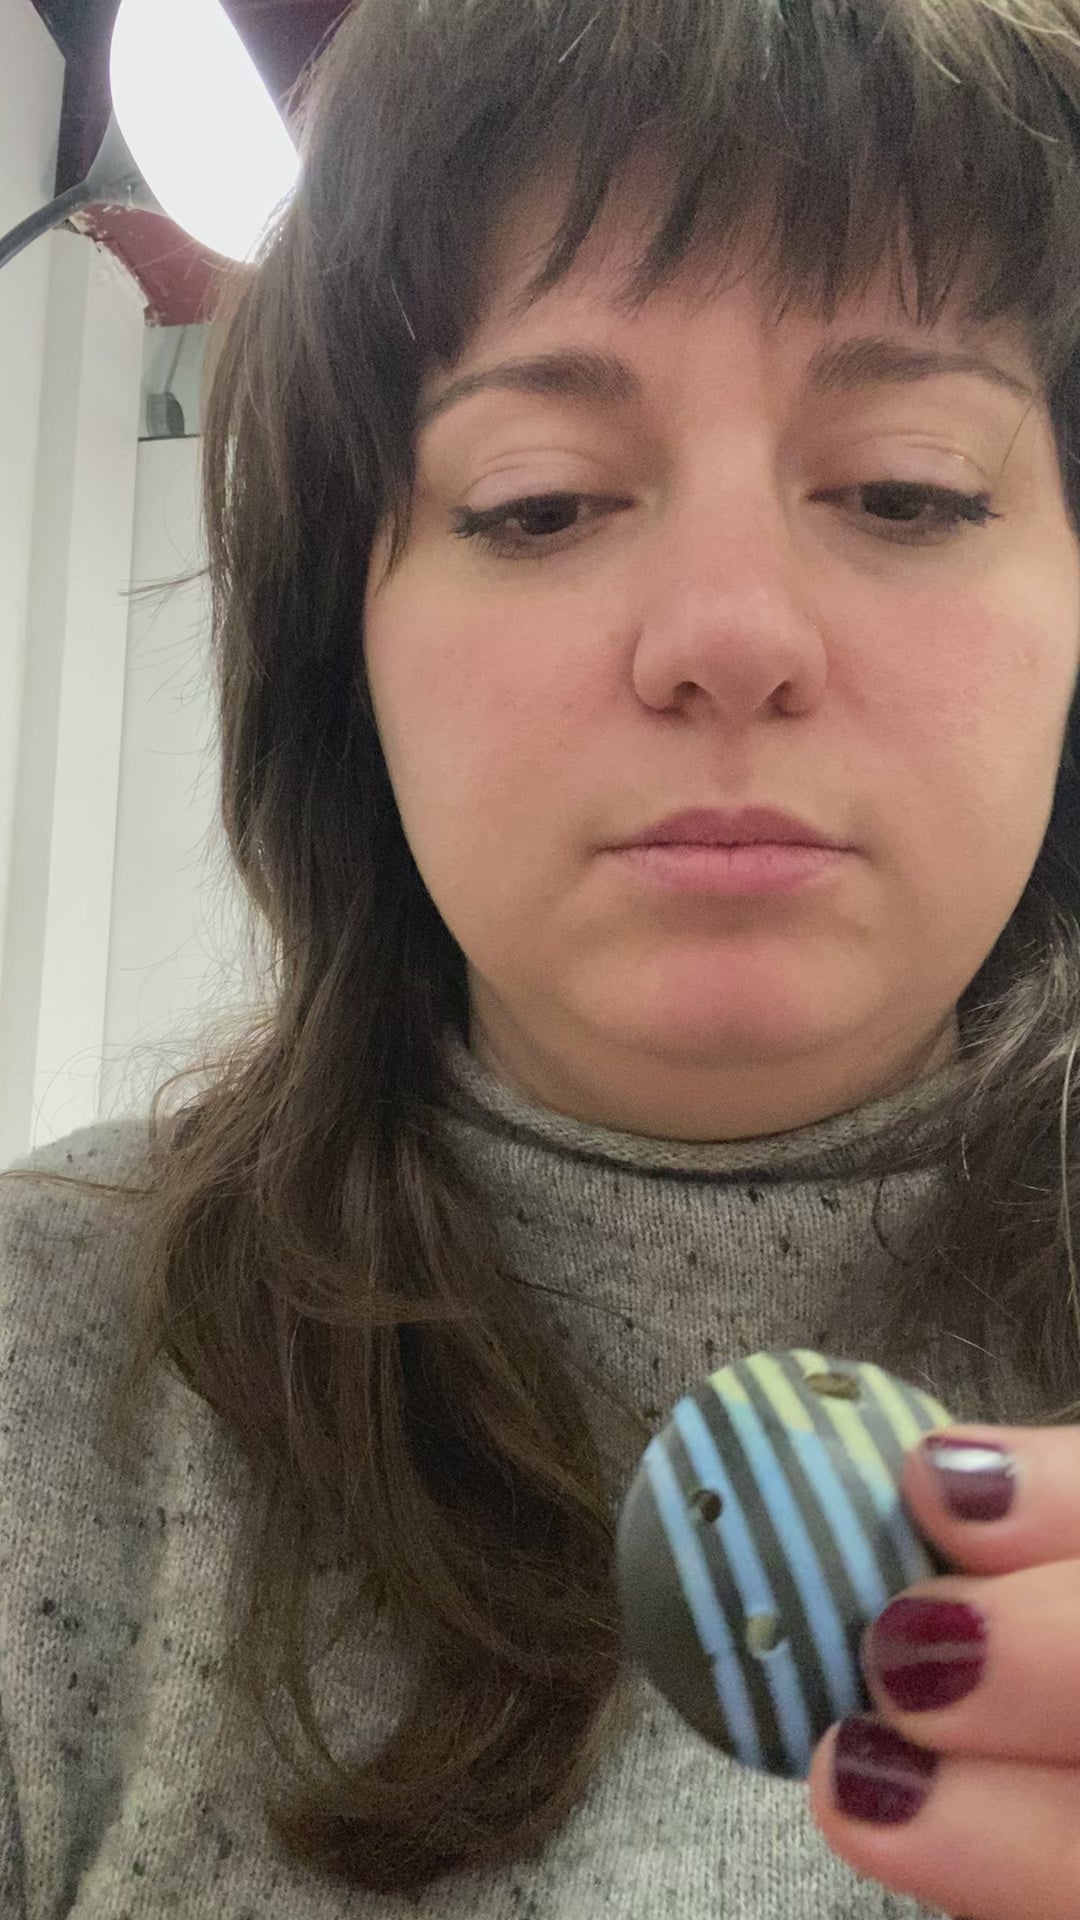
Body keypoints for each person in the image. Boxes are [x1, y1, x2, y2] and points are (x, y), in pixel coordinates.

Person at [3, 0, 1080, 1913]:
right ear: (346, 642)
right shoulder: (44, 1361)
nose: (731, 634)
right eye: (541, 502)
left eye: (908, 488)